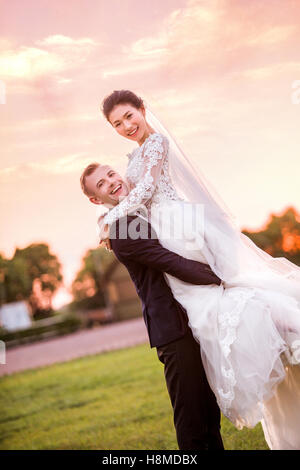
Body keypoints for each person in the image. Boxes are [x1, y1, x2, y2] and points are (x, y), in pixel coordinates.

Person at [93, 90, 300, 450]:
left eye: (129, 116)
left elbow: (144, 189)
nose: (127, 125)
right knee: (220, 304)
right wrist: (108, 216)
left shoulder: (156, 142)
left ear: (142, 110)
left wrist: (110, 217)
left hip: (178, 226)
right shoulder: (131, 160)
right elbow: (130, 195)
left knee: (235, 292)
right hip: (164, 230)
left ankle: (289, 327)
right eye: (118, 123)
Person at [80, 164, 225, 450]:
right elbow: (170, 261)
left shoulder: (139, 210)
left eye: (110, 174)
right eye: (101, 184)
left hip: (192, 313)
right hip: (172, 328)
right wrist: (221, 277)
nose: (111, 182)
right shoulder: (120, 229)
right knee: (192, 419)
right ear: (96, 200)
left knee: (208, 412)